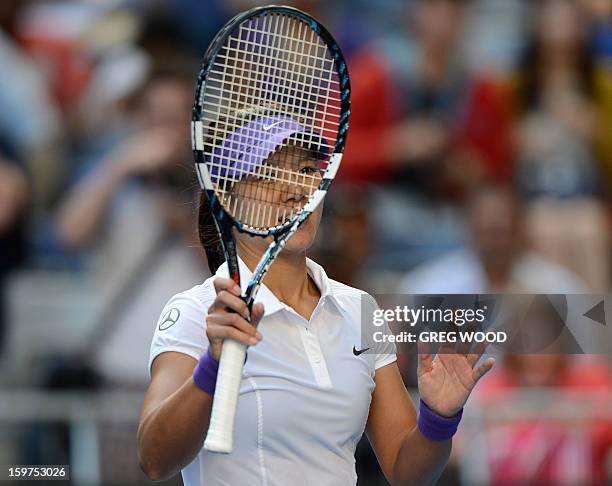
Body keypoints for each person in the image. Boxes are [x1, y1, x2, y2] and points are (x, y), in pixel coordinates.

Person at [137, 115, 495, 485]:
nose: (295, 189)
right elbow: (155, 459)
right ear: (225, 200)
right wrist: (213, 364)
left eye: (307, 169)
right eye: (268, 173)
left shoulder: (360, 309)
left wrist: (438, 419)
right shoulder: (194, 312)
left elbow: (408, 473)